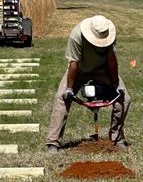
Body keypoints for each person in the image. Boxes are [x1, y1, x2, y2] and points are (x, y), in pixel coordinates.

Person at [46, 14, 131, 152]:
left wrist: (116, 84)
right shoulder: (76, 35)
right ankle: (53, 142)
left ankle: (117, 138)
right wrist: (69, 88)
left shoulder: (109, 34)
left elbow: (111, 60)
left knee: (125, 98)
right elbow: (74, 63)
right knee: (61, 97)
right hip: (79, 70)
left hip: (102, 70)